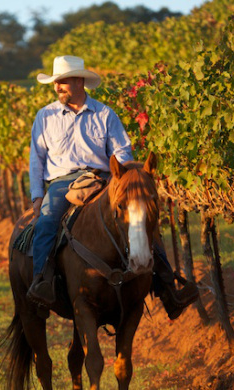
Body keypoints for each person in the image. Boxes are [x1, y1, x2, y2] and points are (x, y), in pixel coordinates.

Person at [26, 55, 198, 320]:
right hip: (62, 183)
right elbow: (36, 161)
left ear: (79, 81)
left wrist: (127, 182)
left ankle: (167, 289)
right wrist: (38, 197)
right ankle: (42, 281)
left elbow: (122, 153)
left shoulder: (105, 114)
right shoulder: (45, 116)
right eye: (56, 82)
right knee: (47, 221)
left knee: (142, 220)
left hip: (104, 180)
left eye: (63, 81)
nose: (57, 87)